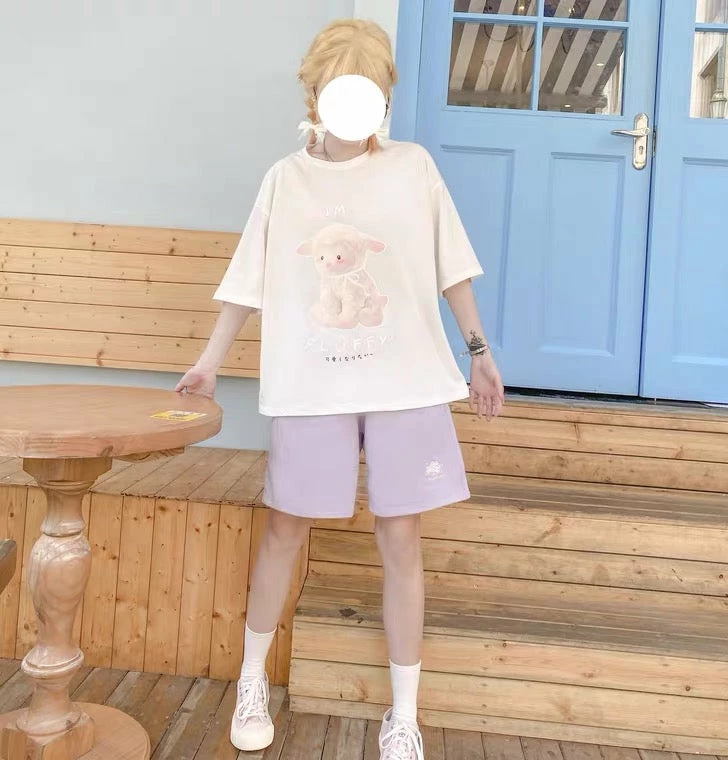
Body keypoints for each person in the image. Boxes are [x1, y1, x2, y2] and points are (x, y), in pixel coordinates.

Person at [175, 18, 504, 760]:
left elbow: (451, 263)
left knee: (401, 537)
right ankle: (251, 681)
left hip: (404, 383)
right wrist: (210, 361)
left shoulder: (413, 168)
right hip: (311, 386)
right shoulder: (285, 179)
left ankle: (404, 714)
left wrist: (479, 349)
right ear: (315, 95)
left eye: (371, 92)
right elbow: (247, 279)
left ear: (383, 98)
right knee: (285, 529)